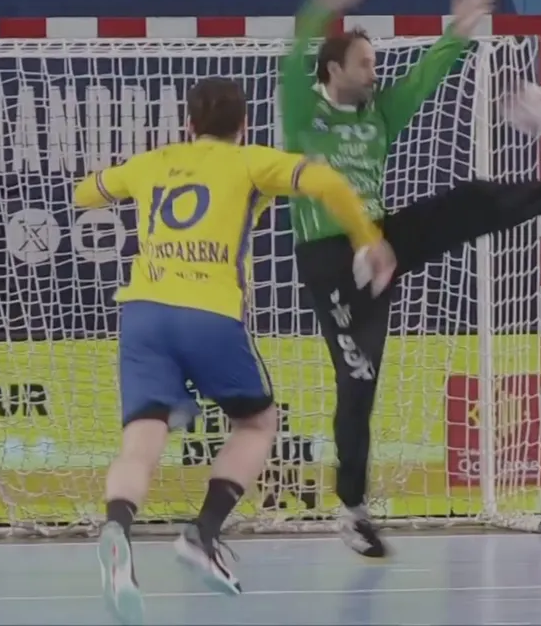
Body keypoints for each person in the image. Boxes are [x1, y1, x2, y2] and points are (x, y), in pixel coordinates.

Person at [283, 0, 541, 558]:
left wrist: (463, 23)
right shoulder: (302, 113)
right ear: (334, 68)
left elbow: (427, 74)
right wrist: (325, 0)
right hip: (329, 260)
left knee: (470, 202)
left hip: (381, 241)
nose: (375, 72)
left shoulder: (379, 112)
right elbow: (294, 58)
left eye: (375, 62)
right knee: (358, 383)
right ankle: (353, 509)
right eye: (364, 63)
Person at [76, 76, 395, 623]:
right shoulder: (251, 161)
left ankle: (117, 528)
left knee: (141, 438)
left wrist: (124, 180)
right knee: (257, 422)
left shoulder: (152, 162)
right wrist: (369, 239)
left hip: (143, 314)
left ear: (189, 124)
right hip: (209, 312)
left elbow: (86, 192)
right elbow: (326, 181)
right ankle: (202, 534)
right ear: (243, 125)